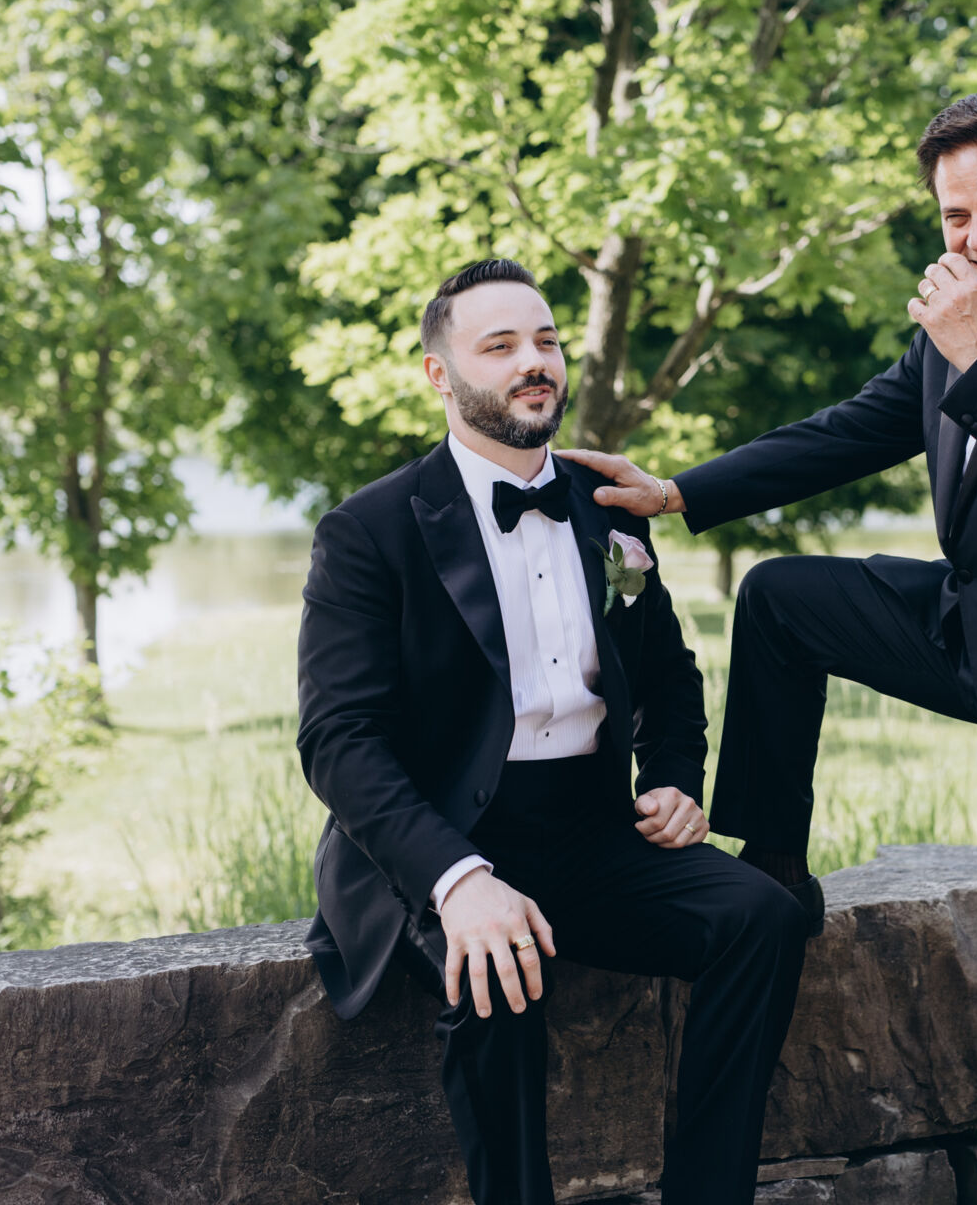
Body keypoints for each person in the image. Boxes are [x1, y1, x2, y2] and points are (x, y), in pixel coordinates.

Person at [562, 91, 977, 1204]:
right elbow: (861, 424)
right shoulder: (963, 310)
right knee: (781, 600)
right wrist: (681, 491)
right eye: (955, 215)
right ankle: (777, 871)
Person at [295, 258, 811, 1205]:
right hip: (435, 839)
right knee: (498, 973)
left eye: (545, 341)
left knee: (764, 918)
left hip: (588, 831)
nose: (533, 363)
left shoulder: (605, 506)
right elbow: (339, 740)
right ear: (441, 375)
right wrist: (459, 882)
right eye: (499, 347)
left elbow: (668, 678)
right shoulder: (368, 530)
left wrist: (673, 777)